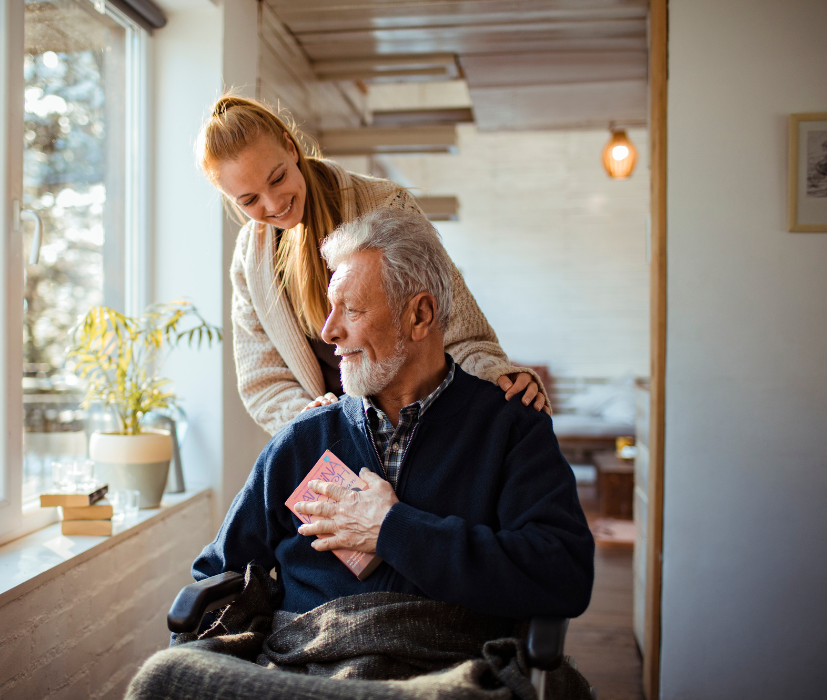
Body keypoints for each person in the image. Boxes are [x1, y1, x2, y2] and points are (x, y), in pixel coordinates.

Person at [191, 208, 594, 619]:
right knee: (164, 678)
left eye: (351, 310)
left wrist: (393, 530)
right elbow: (215, 573)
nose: (329, 331)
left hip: (441, 668)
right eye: (331, 309)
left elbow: (564, 576)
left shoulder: (511, 428)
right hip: (303, 659)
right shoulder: (305, 438)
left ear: (420, 315)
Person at [200, 95, 549, 435]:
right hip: (333, 442)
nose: (273, 203)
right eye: (249, 200)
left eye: (277, 178)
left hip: (421, 426)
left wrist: (497, 375)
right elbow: (262, 379)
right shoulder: (250, 258)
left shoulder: (386, 204)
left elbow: (455, 323)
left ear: (291, 148)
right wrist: (306, 419)